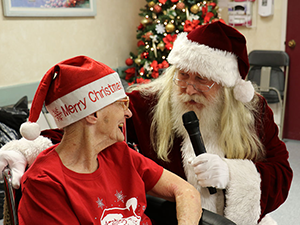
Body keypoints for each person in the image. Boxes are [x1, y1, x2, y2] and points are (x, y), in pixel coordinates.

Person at [0, 22, 293, 225]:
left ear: (227, 85)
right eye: (182, 75)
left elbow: (282, 170)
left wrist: (233, 174)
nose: (188, 88)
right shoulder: (147, 103)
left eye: (201, 80)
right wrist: (25, 148)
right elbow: (83, 127)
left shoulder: (254, 114)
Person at [8, 56, 201, 225]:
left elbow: (186, 191)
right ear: (93, 114)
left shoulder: (120, 154)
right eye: (121, 104)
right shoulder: (45, 183)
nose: (128, 113)